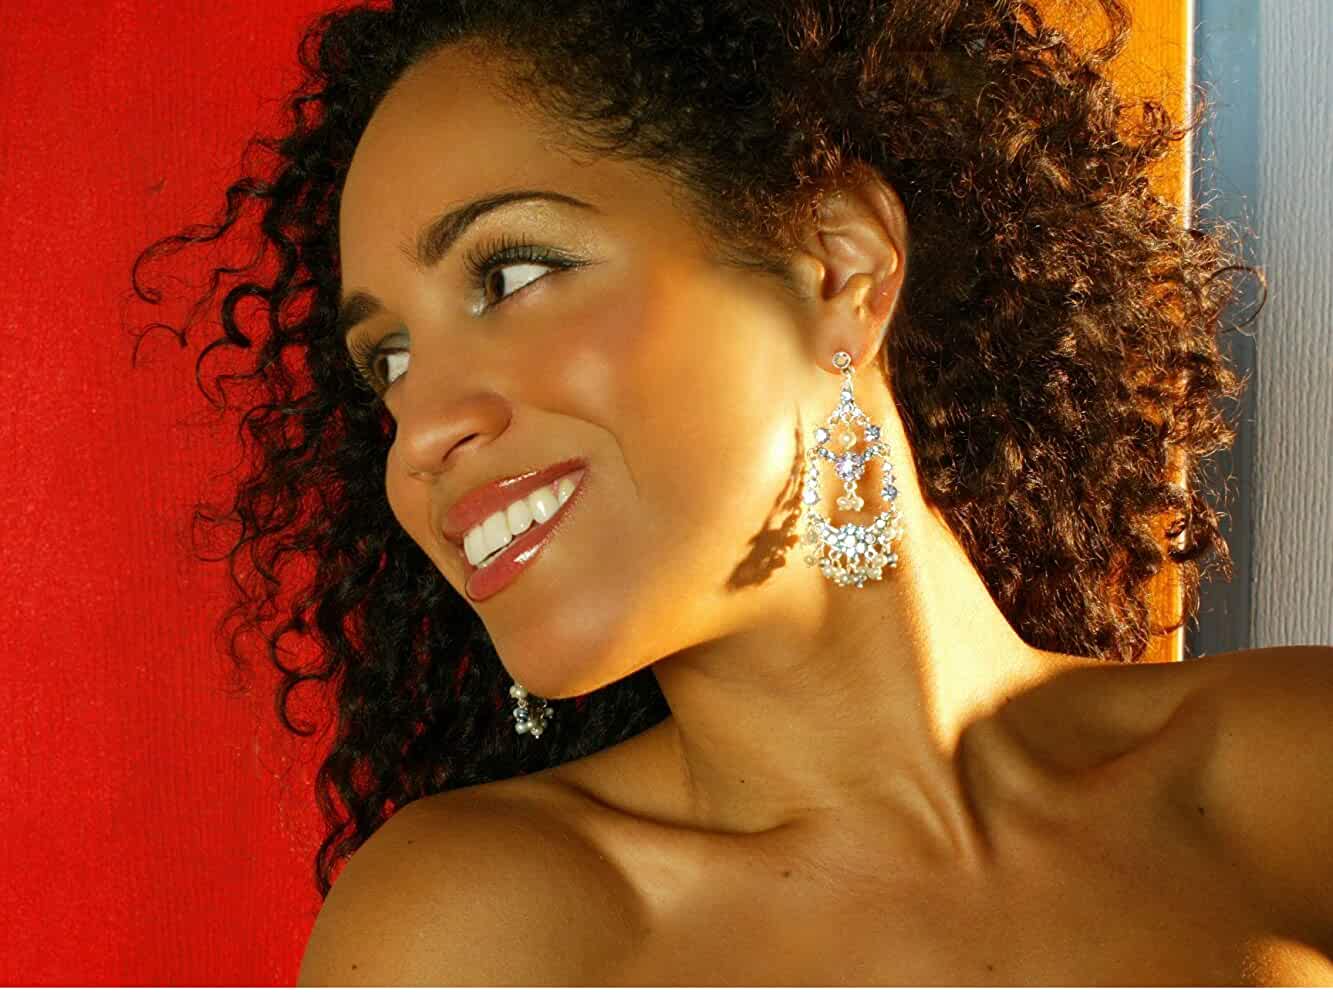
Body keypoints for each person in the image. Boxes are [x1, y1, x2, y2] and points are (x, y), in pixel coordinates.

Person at [130, 0, 1331, 986]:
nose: (422, 431)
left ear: (838, 267)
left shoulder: (1291, 765)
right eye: (387, 361)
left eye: (512, 273)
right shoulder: (484, 932)